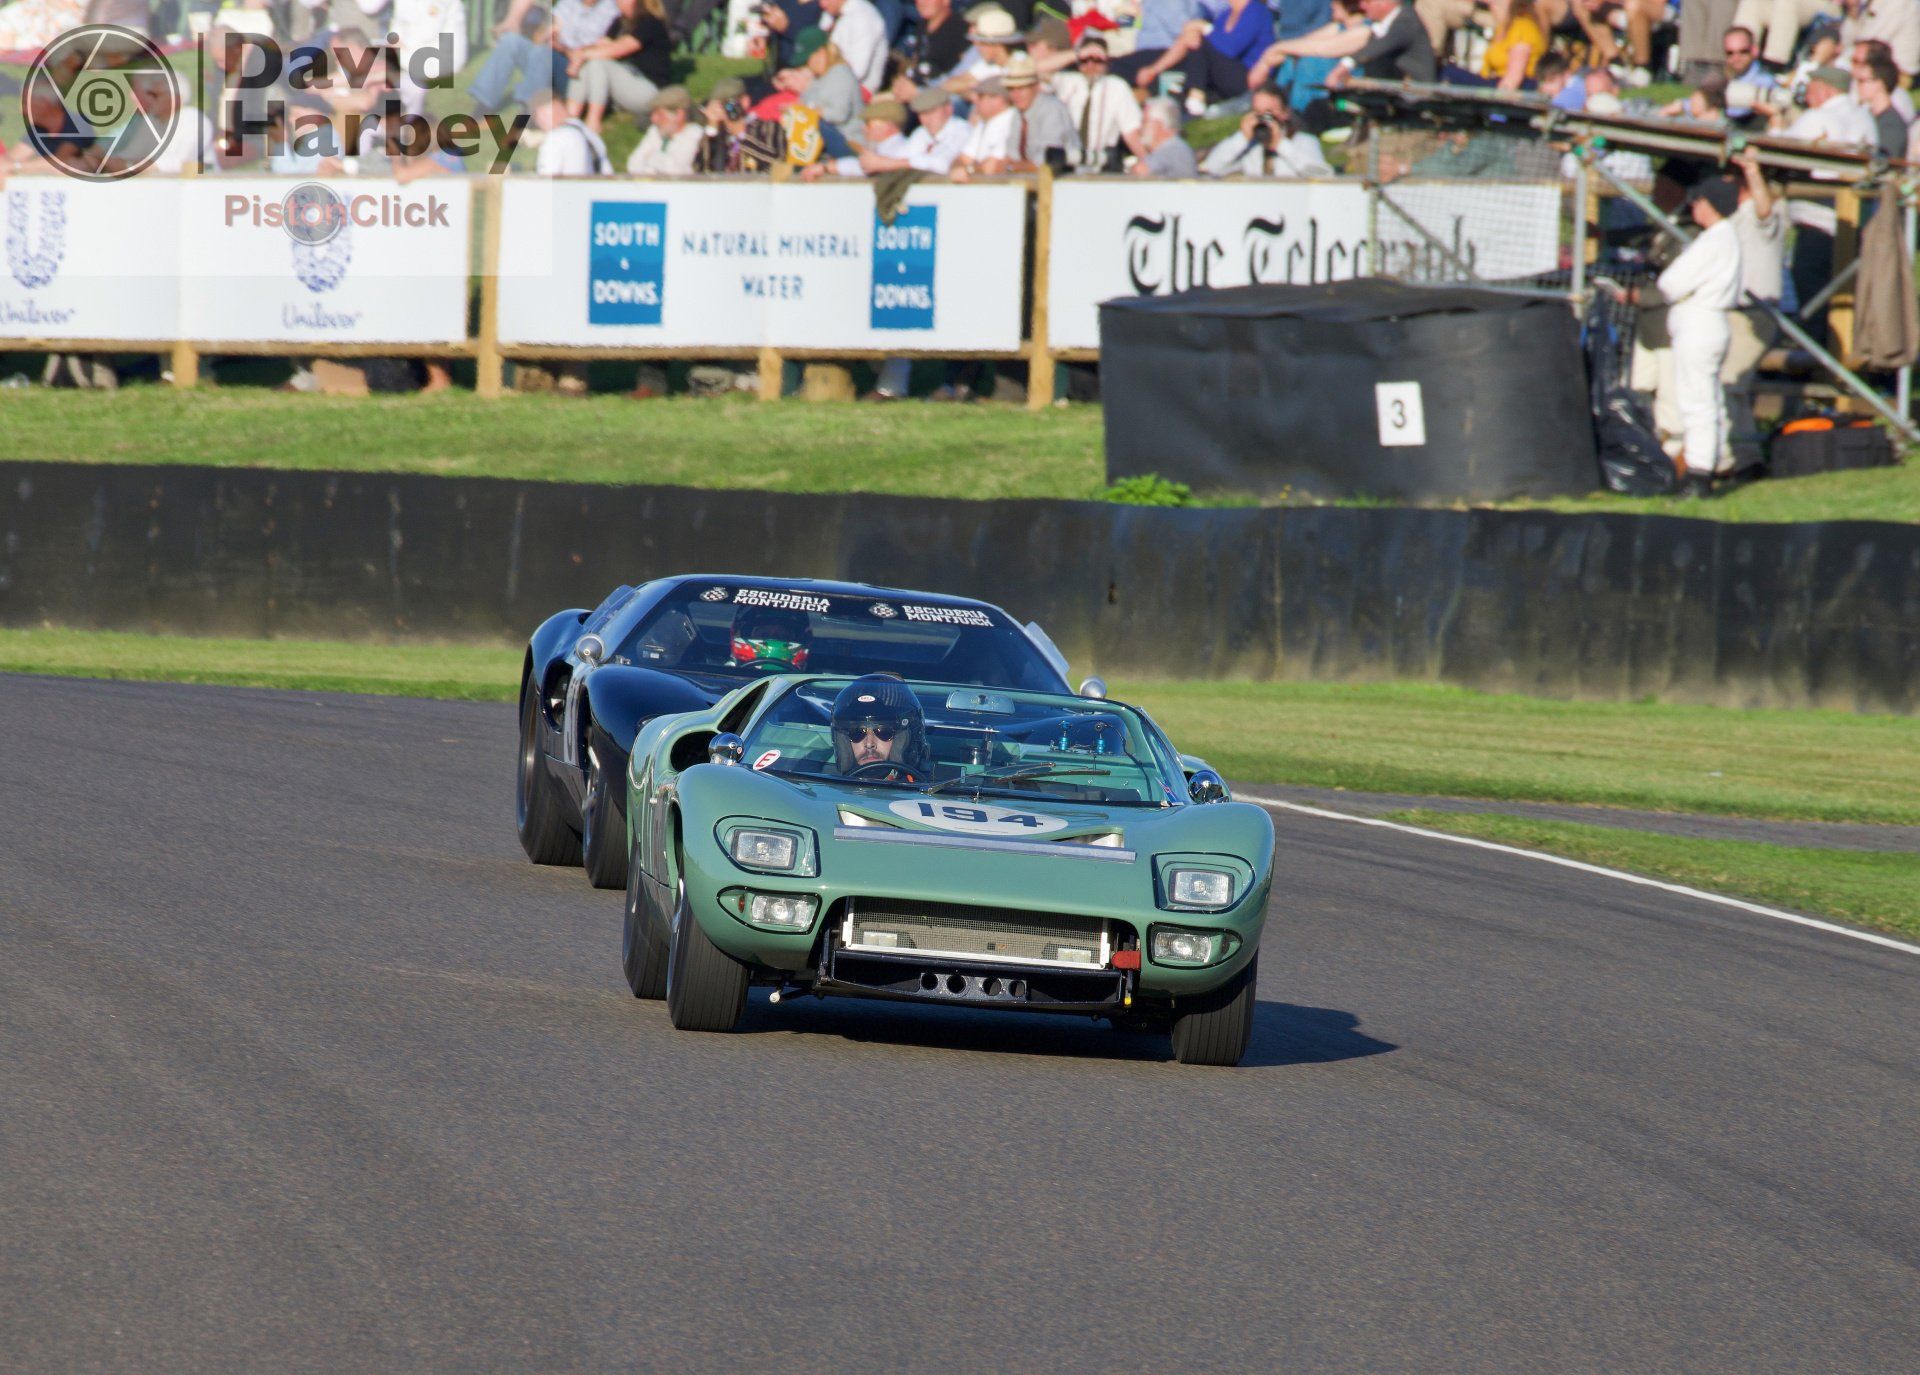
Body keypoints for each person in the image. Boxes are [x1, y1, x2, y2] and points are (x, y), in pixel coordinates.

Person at [1657, 176, 1744, 494]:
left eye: (1700, 201)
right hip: (1708, 323)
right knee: (1709, 399)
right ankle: (1714, 463)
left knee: (1697, 401)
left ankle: (1698, 473)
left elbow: (1670, 283)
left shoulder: (1714, 240)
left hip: (1699, 322)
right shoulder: (1722, 238)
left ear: (1712, 205)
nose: (1695, 206)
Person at [469, 0, 619, 115]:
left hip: (578, 74)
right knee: (512, 41)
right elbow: (552, 30)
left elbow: (602, 48)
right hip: (554, 56)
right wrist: (549, 37)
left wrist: (562, 46)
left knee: (545, 53)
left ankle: (529, 113)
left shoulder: (611, 10)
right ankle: (484, 103)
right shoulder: (570, 3)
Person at [1118, 0, 1277, 106]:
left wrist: (1201, 29)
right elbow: (1190, 42)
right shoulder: (1226, 15)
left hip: (1246, 78)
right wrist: (1154, 69)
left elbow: (1229, 48)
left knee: (1197, 40)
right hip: (1221, 75)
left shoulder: (1256, 11)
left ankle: (1196, 93)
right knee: (1193, 40)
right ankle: (1188, 96)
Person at [566, 0, 674, 134]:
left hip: (650, 89)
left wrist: (583, 55)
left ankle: (593, 122)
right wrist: (580, 55)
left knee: (598, 63)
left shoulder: (650, 23)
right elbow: (601, 45)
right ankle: (570, 120)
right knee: (588, 62)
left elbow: (619, 49)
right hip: (627, 83)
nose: (618, 2)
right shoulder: (619, 22)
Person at [1053, 35, 1144, 170]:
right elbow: (1036, 70)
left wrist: (1148, 163)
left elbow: (1131, 132)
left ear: (1107, 62)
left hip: (1101, 162)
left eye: (1097, 60)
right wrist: (1076, 54)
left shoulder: (1117, 86)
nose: (1091, 65)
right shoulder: (1067, 81)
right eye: (1085, 60)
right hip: (1067, 161)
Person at [1201, 82, 1330, 174]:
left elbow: (1321, 175)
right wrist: (1242, 138)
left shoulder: (1303, 141)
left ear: (1285, 113)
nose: (1264, 119)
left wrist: (1280, 145)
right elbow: (1213, 167)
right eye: (1258, 112)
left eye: (1269, 112)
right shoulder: (1250, 146)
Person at [830, 676, 929, 781]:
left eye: (883, 732)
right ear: (843, 741)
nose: (869, 744)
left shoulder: (926, 793)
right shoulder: (823, 787)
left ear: (903, 739)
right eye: (857, 732)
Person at [1001, 50, 1080, 165]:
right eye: (1011, 89)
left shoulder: (1052, 110)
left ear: (1036, 86)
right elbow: (1013, 154)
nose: (1016, 94)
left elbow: (1048, 160)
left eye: (1022, 88)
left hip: (1066, 179)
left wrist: (1011, 167)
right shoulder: (1018, 113)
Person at [802, 95, 912, 175]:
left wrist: (826, 167)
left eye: (869, 124)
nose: (864, 129)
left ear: (888, 126)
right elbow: (860, 164)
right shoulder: (883, 147)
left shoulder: (900, 149)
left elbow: (866, 167)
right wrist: (826, 167)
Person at [1731, 0, 1842, 69]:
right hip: (1783, 6)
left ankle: (1774, 65)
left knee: (1786, 2)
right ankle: (1741, 56)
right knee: (1752, 2)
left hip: (1827, 6)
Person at [531, 87, 614, 172]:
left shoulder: (555, 138)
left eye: (541, 116)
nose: (539, 123)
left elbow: (544, 180)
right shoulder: (589, 133)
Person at [949, 73, 1015, 175]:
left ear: (999, 99)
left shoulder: (1012, 121)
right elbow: (963, 158)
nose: (975, 101)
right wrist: (958, 168)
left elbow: (993, 165)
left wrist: (968, 170)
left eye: (980, 96)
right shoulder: (983, 123)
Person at [625, 83, 702, 171]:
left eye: (659, 114)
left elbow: (677, 170)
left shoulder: (695, 135)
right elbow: (633, 164)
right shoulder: (655, 131)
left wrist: (651, 159)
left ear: (679, 115)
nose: (653, 119)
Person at [822, 0, 892, 89]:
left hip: (858, 91)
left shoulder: (864, 16)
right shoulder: (831, 14)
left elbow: (857, 72)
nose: (822, 4)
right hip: (830, 83)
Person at [1839, 0, 1919, 75]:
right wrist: (1853, 10)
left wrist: (1839, 62)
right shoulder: (1870, 3)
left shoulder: (1897, 3)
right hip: (1868, 64)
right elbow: (1847, 41)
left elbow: (1872, 42)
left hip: (1895, 74)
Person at [1132, 94, 1198, 173]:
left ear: (1159, 125)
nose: (1140, 127)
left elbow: (1141, 171)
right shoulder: (1169, 148)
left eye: (1145, 121)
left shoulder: (1175, 149)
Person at [734, 607, 813, 669]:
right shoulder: (724, 672)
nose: (773, 640)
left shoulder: (811, 678)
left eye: (782, 636)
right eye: (764, 635)